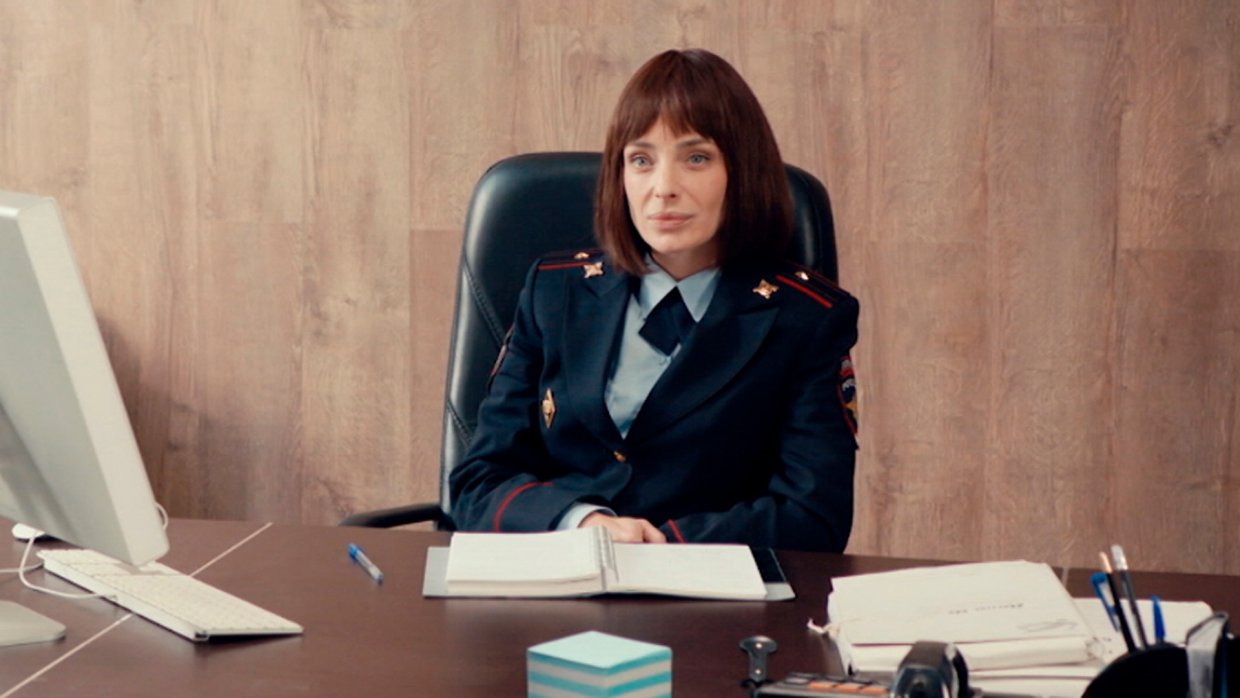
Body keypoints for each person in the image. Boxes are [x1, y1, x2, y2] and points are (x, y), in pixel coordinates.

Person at [448, 48, 860, 552]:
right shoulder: (554, 291)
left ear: (743, 172)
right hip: (558, 574)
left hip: (708, 587)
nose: (664, 188)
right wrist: (581, 522)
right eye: (641, 160)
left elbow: (814, 518)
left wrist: (659, 545)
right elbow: (478, 483)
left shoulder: (807, 318)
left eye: (696, 158)